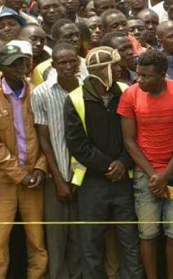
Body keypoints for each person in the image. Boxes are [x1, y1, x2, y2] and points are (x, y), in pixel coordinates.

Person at [64, 46, 144, 279]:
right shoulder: (75, 99)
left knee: (129, 241)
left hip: (123, 180)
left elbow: (137, 134)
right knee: (91, 244)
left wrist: (123, 163)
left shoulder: (127, 91)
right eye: (115, 66)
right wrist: (108, 166)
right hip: (93, 182)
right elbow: (77, 143)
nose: (120, 70)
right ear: (102, 70)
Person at [119, 49, 173, 279]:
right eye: (138, 74)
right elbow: (129, 141)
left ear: (162, 75)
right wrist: (154, 175)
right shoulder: (130, 95)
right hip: (145, 175)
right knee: (148, 233)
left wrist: (166, 173)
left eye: (145, 76)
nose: (139, 79)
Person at [0, 40, 48, 279]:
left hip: (34, 178)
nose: (19, 68)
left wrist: (40, 168)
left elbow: (44, 135)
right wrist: (20, 175)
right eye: (12, 65)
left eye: (22, 63)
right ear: (2, 69)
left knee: (36, 240)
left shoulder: (36, 92)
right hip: (4, 180)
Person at [32, 42, 82, 279]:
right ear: (54, 65)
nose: (69, 66)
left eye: (73, 61)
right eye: (63, 62)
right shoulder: (41, 93)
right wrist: (60, 180)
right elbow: (44, 139)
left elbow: (88, 137)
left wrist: (78, 176)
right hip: (55, 177)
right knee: (56, 237)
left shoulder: (87, 87)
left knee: (79, 237)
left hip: (83, 176)